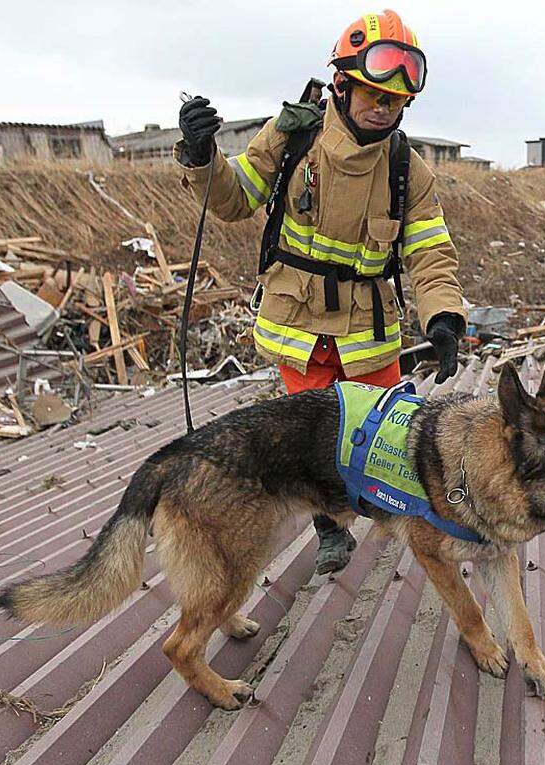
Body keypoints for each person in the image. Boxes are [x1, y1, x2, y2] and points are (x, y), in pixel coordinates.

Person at [175, 10, 466, 575]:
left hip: (368, 333)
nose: (383, 108)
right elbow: (234, 199)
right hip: (299, 326)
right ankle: (330, 528)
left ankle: (401, 518)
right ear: (342, 83)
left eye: (394, 102)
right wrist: (203, 156)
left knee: (387, 433)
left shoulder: (409, 169)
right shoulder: (292, 136)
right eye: (373, 95)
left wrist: (445, 318)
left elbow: (431, 254)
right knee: (317, 440)